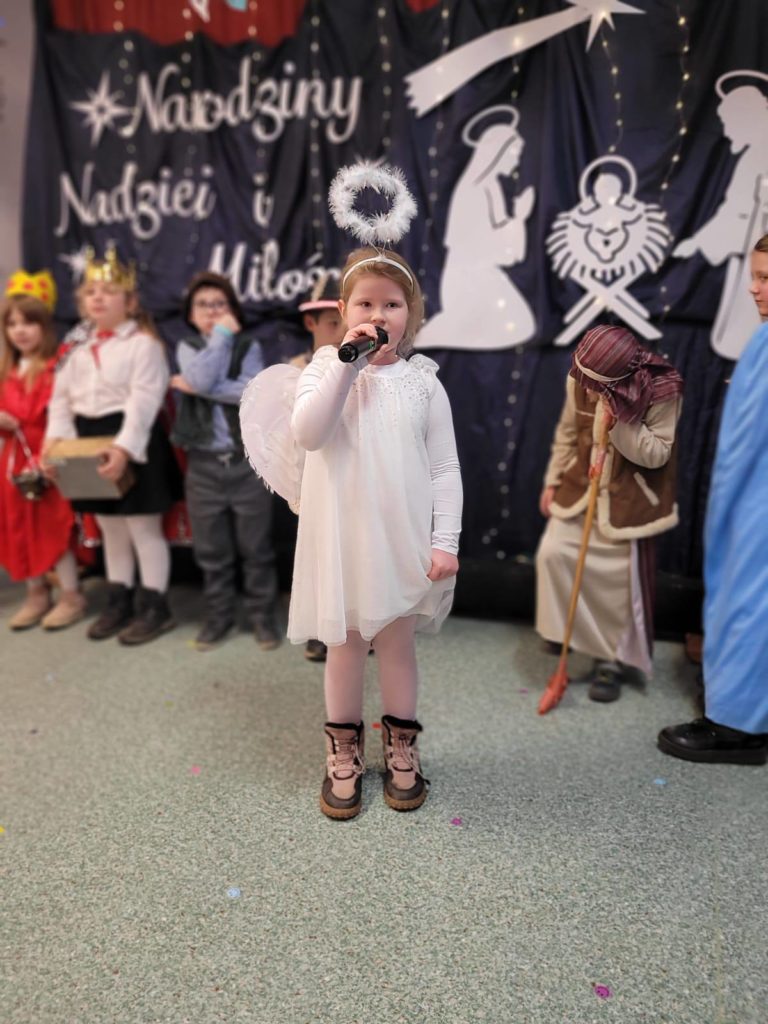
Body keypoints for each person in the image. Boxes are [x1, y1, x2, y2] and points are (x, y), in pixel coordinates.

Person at [287, 247, 462, 819]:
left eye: (392, 304)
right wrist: (345, 365)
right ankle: (343, 751)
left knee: (396, 644)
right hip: (342, 541)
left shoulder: (424, 383)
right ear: (343, 311)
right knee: (343, 647)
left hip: (399, 540)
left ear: (410, 314)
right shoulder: (324, 369)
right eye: (365, 303)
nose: (378, 314)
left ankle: (401, 746)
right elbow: (309, 434)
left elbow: (444, 468)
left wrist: (445, 541)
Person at [658, 235, 768, 764]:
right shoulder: (763, 339)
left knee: (751, 600)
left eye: (766, 279)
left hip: (758, 505)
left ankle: (739, 727)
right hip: (746, 499)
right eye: (755, 276)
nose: (754, 289)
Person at [536, 325, 683, 702]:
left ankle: (609, 660)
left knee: (614, 581)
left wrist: (619, 418)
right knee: (553, 554)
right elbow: (568, 432)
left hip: (628, 499)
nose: (587, 388)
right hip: (581, 488)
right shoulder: (579, 380)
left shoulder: (662, 389)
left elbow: (657, 453)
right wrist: (553, 480)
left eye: (596, 384)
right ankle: (565, 632)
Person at [43, 246, 181, 644]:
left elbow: (144, 401)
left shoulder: (143, 344)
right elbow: (61, 402)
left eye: (108, 291)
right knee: (110, 528)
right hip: (88, 442)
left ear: (130, 301)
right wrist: (55, 446)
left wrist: (123, 450)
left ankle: (155, 606)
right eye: (91, 292)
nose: (98, 297)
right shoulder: (76, 350)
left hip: (132, 442)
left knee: (142, 527)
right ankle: (119, 601)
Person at [171, 271, 280, 652]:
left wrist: (195, 385)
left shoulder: (248, 345)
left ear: (233, 310)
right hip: (203, 466)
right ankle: (219, 616)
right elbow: (203, 379)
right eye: (203, 305)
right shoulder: (187, 346)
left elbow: (250, 392)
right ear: (190, 314)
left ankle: (262, 615)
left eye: (219, 304)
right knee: (211, 550)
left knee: (256, 547)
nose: (212, 311)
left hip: (245, 463)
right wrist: (220, 338)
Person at [0, 271, 85, 630]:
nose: (20, 331)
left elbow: (62, 414)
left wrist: (44, 454)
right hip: (12, 462)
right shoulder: (6, 371)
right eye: (12, 324)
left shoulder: (56, 367)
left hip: (48, 454)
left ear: (44, 325)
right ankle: (36, 592)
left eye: (28, 322)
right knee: (16, 525)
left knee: (53, 526)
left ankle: (71, 594)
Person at [289, 273, 345, 662]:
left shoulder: (366, 368)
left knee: (353, 554)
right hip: (314, 479)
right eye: (332, 323)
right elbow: (291, 438)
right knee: (320, 556)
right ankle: (322, 629)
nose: (341, 332)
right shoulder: (297, 370)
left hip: (352, 480)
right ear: (311, 322)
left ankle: (359, 625)